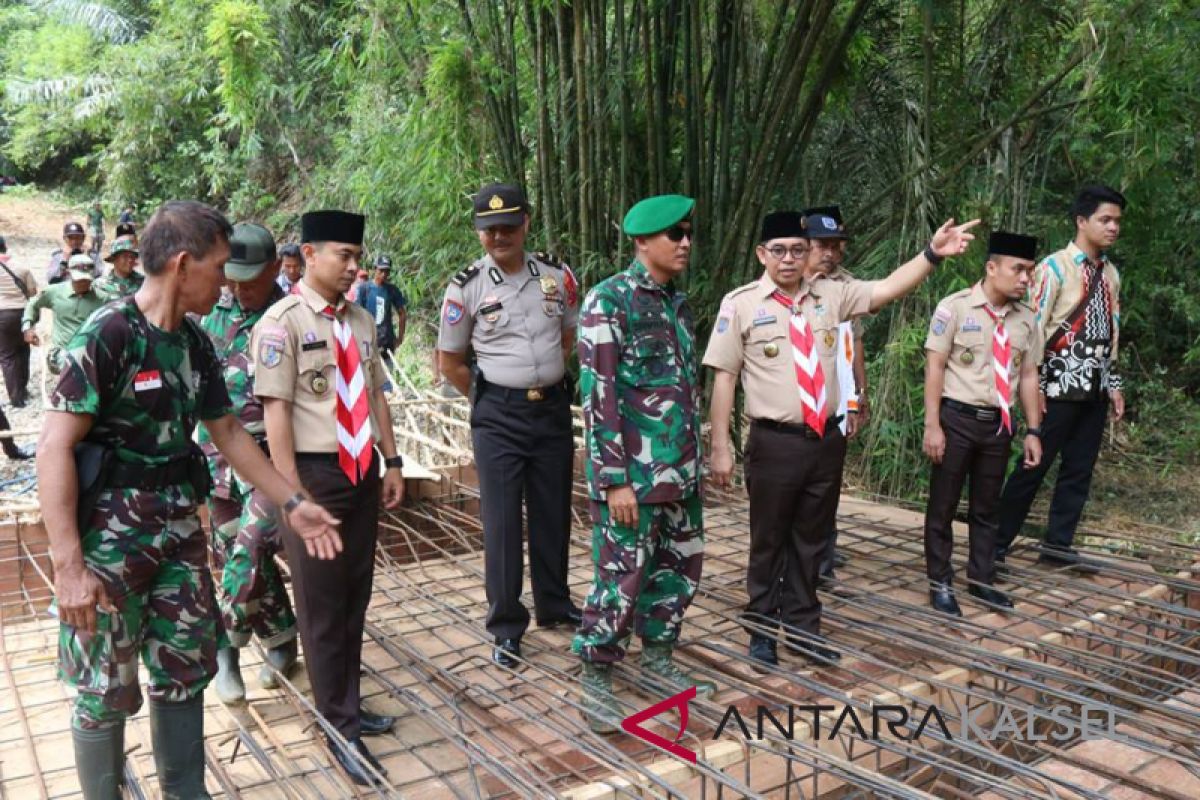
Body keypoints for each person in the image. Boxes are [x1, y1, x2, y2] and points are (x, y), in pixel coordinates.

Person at [37, 200, 340, 800]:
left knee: (182, 671)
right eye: (219, 265)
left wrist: (292, 501)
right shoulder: (112, 334)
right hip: (108, 548)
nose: (226, 279)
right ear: (182, 264)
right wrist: (69, 566)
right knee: (103, 688)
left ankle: (184, 792)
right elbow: (52, 447)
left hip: (179, 536)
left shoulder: (195, 342)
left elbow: (227, 432)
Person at [705, 210, 979, 668]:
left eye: (797, 249)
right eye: (779, 250)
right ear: (762, 254)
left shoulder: (830, 296)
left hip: (824, 440)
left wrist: (933, 254)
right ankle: (761, 629)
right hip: (773, 441)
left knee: (812, 539)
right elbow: (724, 379)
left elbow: (887, 288)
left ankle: (802, 627)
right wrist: (720, 446)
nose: (789, 259)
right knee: (769, 539)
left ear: (807, 250)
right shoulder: (742, 304)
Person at [253, 209, 406, 786]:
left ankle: (348, 704)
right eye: (343, 255)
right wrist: (291, 496)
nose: (354, 266)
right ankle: (337, 727)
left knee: (353, 597)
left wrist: (391, 462)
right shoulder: (282, 323)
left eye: (356, 256)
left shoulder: (362, 320)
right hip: (313, 476)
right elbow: (277, 418)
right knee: (320, 607)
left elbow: (375, 395)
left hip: (361, 469)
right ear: (310, 254)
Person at [574, 194, 714, 733]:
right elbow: (598, 396)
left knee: (678, 571)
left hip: (680, 473)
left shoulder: (677, 303)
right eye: (674, 234)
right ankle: (597, 673)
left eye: (687, 233)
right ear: (641, 241)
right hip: (633, 477)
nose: (685, 243)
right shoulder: (608, 301)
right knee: (619, 578)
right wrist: (613, 482)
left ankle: (658, 660)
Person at [437, 183, 581, 670]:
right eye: (488, 230)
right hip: (498, 416)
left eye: (507, 227)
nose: (498, 236)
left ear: (526, 224)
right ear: (479, 234)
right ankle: (505, 626)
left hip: (552, 410)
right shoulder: (466, 285)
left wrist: (539, 379)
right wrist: (490, 399)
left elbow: (566, 337)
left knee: (552, 510)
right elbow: (450, 361)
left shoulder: (557, 276)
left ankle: (555, 605)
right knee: (501, 524)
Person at [995, 185, 1127, 573]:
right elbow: (1032, 329)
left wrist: (1114, 384)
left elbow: (1112, 332)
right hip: (1054, 386)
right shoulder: (1053, 268)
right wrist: (1030, 387)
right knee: (1033, 465)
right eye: (1105, 219)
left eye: (1117, 221)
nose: (1113, 227)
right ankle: (996, 545)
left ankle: (1058, 546)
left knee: (1079, 469)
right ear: (1081, 221)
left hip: (1095, 386)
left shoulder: (1112, 274)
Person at [198, 223, 298, 704]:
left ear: (276, 268)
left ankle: (226, 651)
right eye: (230, 277)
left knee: (247, 552)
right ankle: (282, 639)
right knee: (236, 556)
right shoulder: (208, 314)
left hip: (268, 458)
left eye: (249, 278)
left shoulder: (291, 317)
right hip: (215, 459)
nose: (237, 288)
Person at [923, 232, 1043, 616]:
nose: (1025, 279)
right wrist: (932, 425)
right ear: (992, 268)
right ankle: (939, 582)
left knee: (987, 508)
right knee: (943, 505)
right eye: (1018, 270)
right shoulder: (956, 307)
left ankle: (981, 580)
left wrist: (1033, 431)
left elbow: (1027, 376)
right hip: (957, 418)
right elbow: (935, 366)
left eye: (1030, 272)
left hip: (998, 424)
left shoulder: (1026, 319)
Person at [800, 206, 866, 582]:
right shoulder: (783, 284)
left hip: (836, 400)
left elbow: (853, 344)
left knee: (829, 481)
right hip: (795, 405)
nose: (829, 253)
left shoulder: (846, 286)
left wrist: (858, 395)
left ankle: (823, 557)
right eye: (821, 245)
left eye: (835, 246)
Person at [23, 253, 105, 375]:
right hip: (62, 351)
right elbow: (33, 303)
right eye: (79, 279)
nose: (83, 283)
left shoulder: (102, 298)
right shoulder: (55, 292)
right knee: (74, 369)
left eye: (86, 280)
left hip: (90, 350)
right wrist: (28, 328)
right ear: (69, 273)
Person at [0, 234, 36, 407]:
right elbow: (33, 292)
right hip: (23, 312)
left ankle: (16, 397)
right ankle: (23, 388)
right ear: (5, 246)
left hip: (1, 315)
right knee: (23, 350)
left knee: (7, 355)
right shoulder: (21, 267)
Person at [356, 255, 407, 357]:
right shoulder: (364, 289)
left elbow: (402, 313)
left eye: (387, 271)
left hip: (387, 341)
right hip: (368, 341)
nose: (384, 274)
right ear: (375, 269)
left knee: (387, 370)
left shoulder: (392, 290)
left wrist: (400, 338)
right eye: (381, 270)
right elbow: (357, 315)